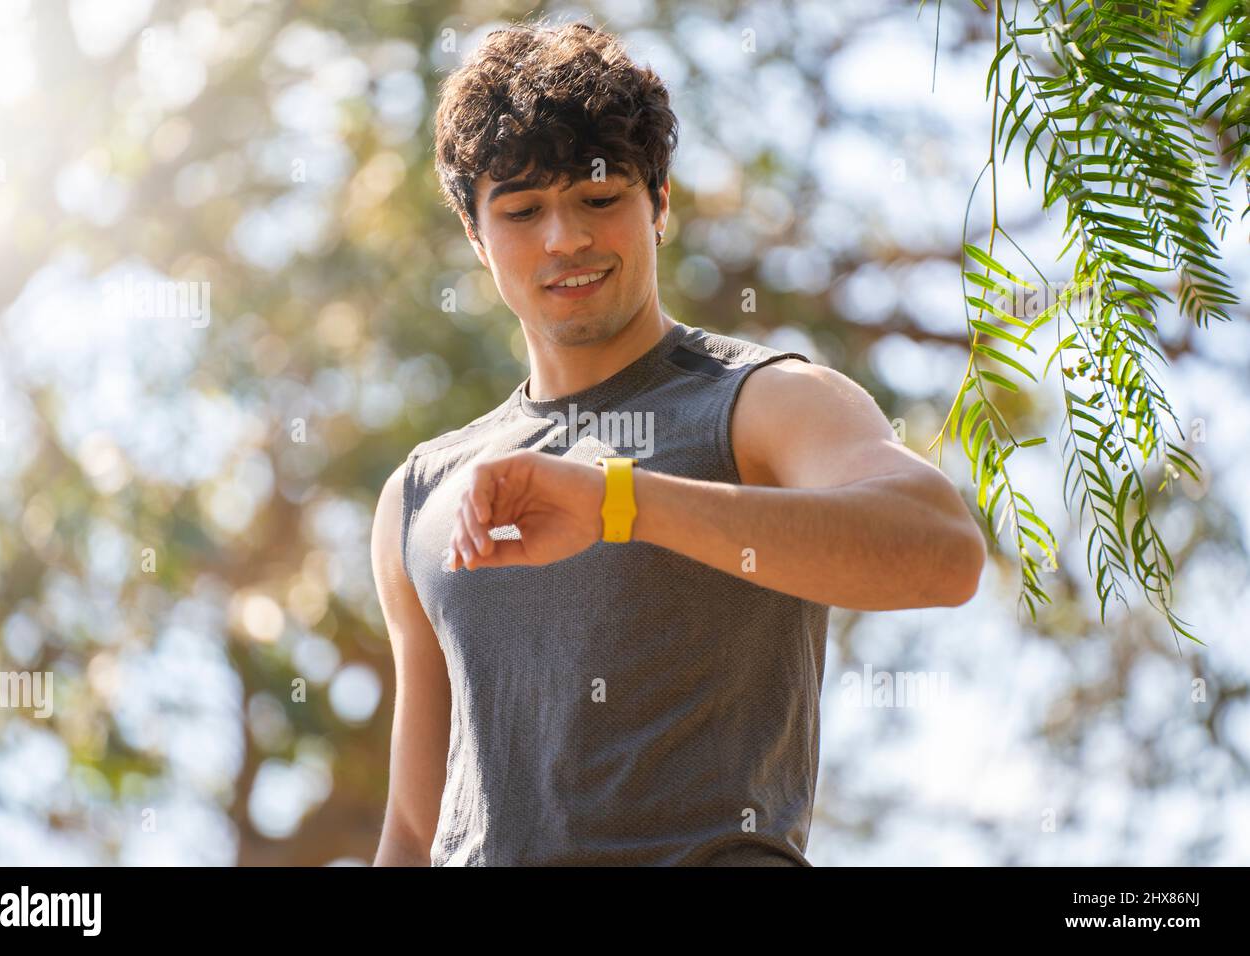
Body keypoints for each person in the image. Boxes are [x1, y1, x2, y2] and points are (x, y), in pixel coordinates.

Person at [371, 18, 986, 866]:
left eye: (598, 199)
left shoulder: (762, 401)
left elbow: (943, 553)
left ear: (658, 204)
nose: (566, 239)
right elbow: (412, 830)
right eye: (522, 211)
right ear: (477, 237)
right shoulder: (420, 495)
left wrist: (619, 501)